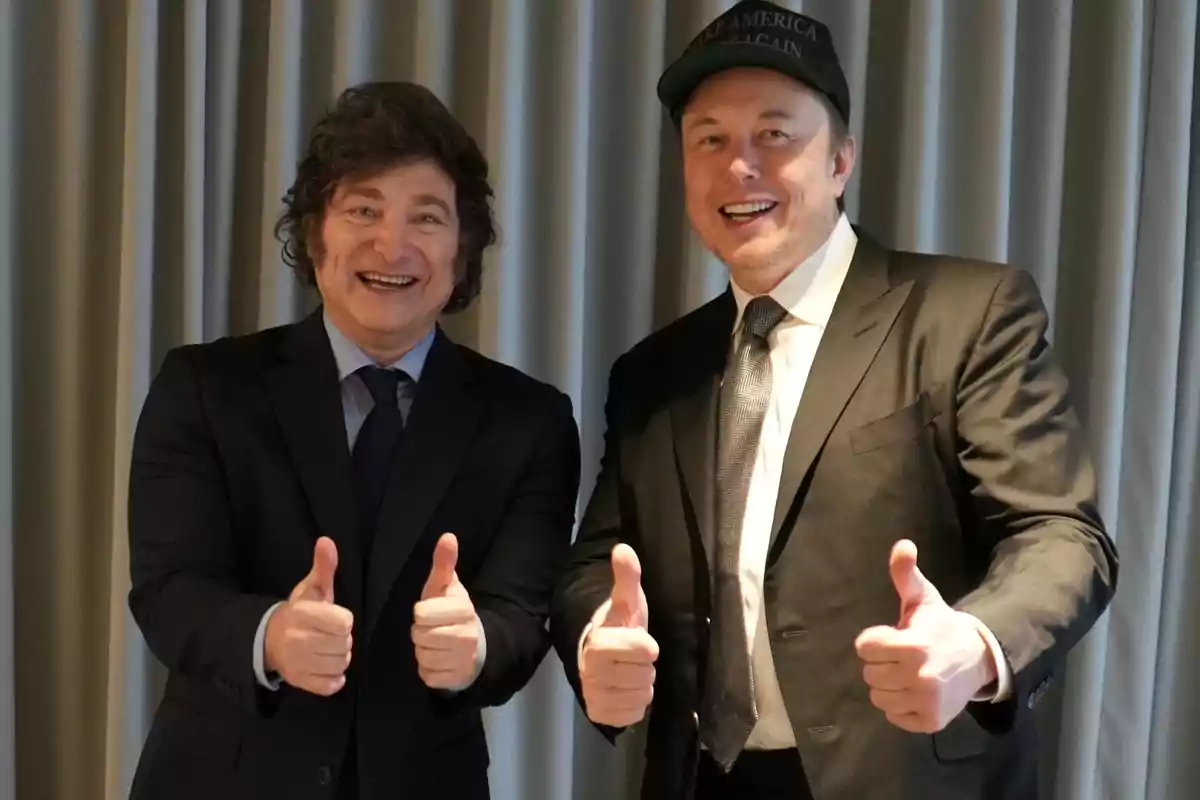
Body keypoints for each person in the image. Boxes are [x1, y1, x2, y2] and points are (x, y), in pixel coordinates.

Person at [549, 2, 1118, 799]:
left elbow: (1059, 533)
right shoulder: (653, 372)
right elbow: (595, 560)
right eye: (709, 138)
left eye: (775, 135)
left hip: (906, 773)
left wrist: (978, 642)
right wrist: (593, 638)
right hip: (700, 778)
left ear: (841, 160)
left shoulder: (964, 314)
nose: (739, 165)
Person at [126, 81, 581, 800]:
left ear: (463, 251)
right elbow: (168, 588)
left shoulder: (529, 420)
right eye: (363, 209)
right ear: (315, 235)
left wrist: (476, 646)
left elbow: (521, 615)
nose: (391, 243)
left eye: (426, 217)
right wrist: (271, 633)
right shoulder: (207, 388)